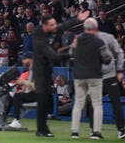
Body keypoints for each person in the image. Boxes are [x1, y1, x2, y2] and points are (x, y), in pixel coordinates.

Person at [33, 9, 89, 137]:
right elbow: (53, 56)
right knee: (42, 100)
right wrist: (70, 51)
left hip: (47, 70)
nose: (55, 27)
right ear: (45, 25)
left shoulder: (49, 30)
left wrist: (77, 19)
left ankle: (43, 128)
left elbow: (63, 26)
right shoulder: (39, 39)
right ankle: (40, 129)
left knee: (46, 99)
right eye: (52, 25)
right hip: (40, 71)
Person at [70, 17, 112, 140]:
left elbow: (71, 53)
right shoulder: (99, 42)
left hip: (79, 75)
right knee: (97, 104)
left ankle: (74, 132)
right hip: (94, 75)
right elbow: (107, 59)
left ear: (84, 28)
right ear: (95, 29)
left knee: (78, 104)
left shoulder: (77, 40)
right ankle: (96, 132)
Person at [88, 24, 125, 139]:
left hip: (110, 75)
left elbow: (119, 52)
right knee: (92, 103)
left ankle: (121, 130)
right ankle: (95, 130)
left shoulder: (108, 37)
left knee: (116, 102)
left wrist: (119, 70)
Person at [8, 52, 36, 129]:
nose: (22, 61)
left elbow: (37, 87)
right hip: (32, 93)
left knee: (17, 96)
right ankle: (8, 120)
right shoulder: (30, 70)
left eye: (24, 59)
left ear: (30, 59)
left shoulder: (36, 69)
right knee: (9, 95)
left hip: (39, 95)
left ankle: (17, 120)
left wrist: (23, 82)